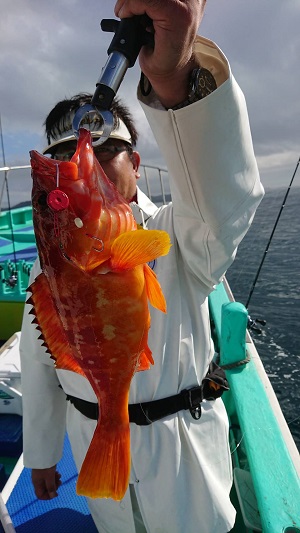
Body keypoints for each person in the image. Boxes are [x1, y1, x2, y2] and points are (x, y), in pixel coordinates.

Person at [20, 1, 264, 532]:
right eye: (65, 156)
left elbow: (225, 200)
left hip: (183, 457)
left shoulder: (182, 233)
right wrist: (40, 451)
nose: (83, 159)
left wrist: (176, 77)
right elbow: (40, 363)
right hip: (93, 438)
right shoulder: (52, 273)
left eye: (106, 146)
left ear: (135, 162)